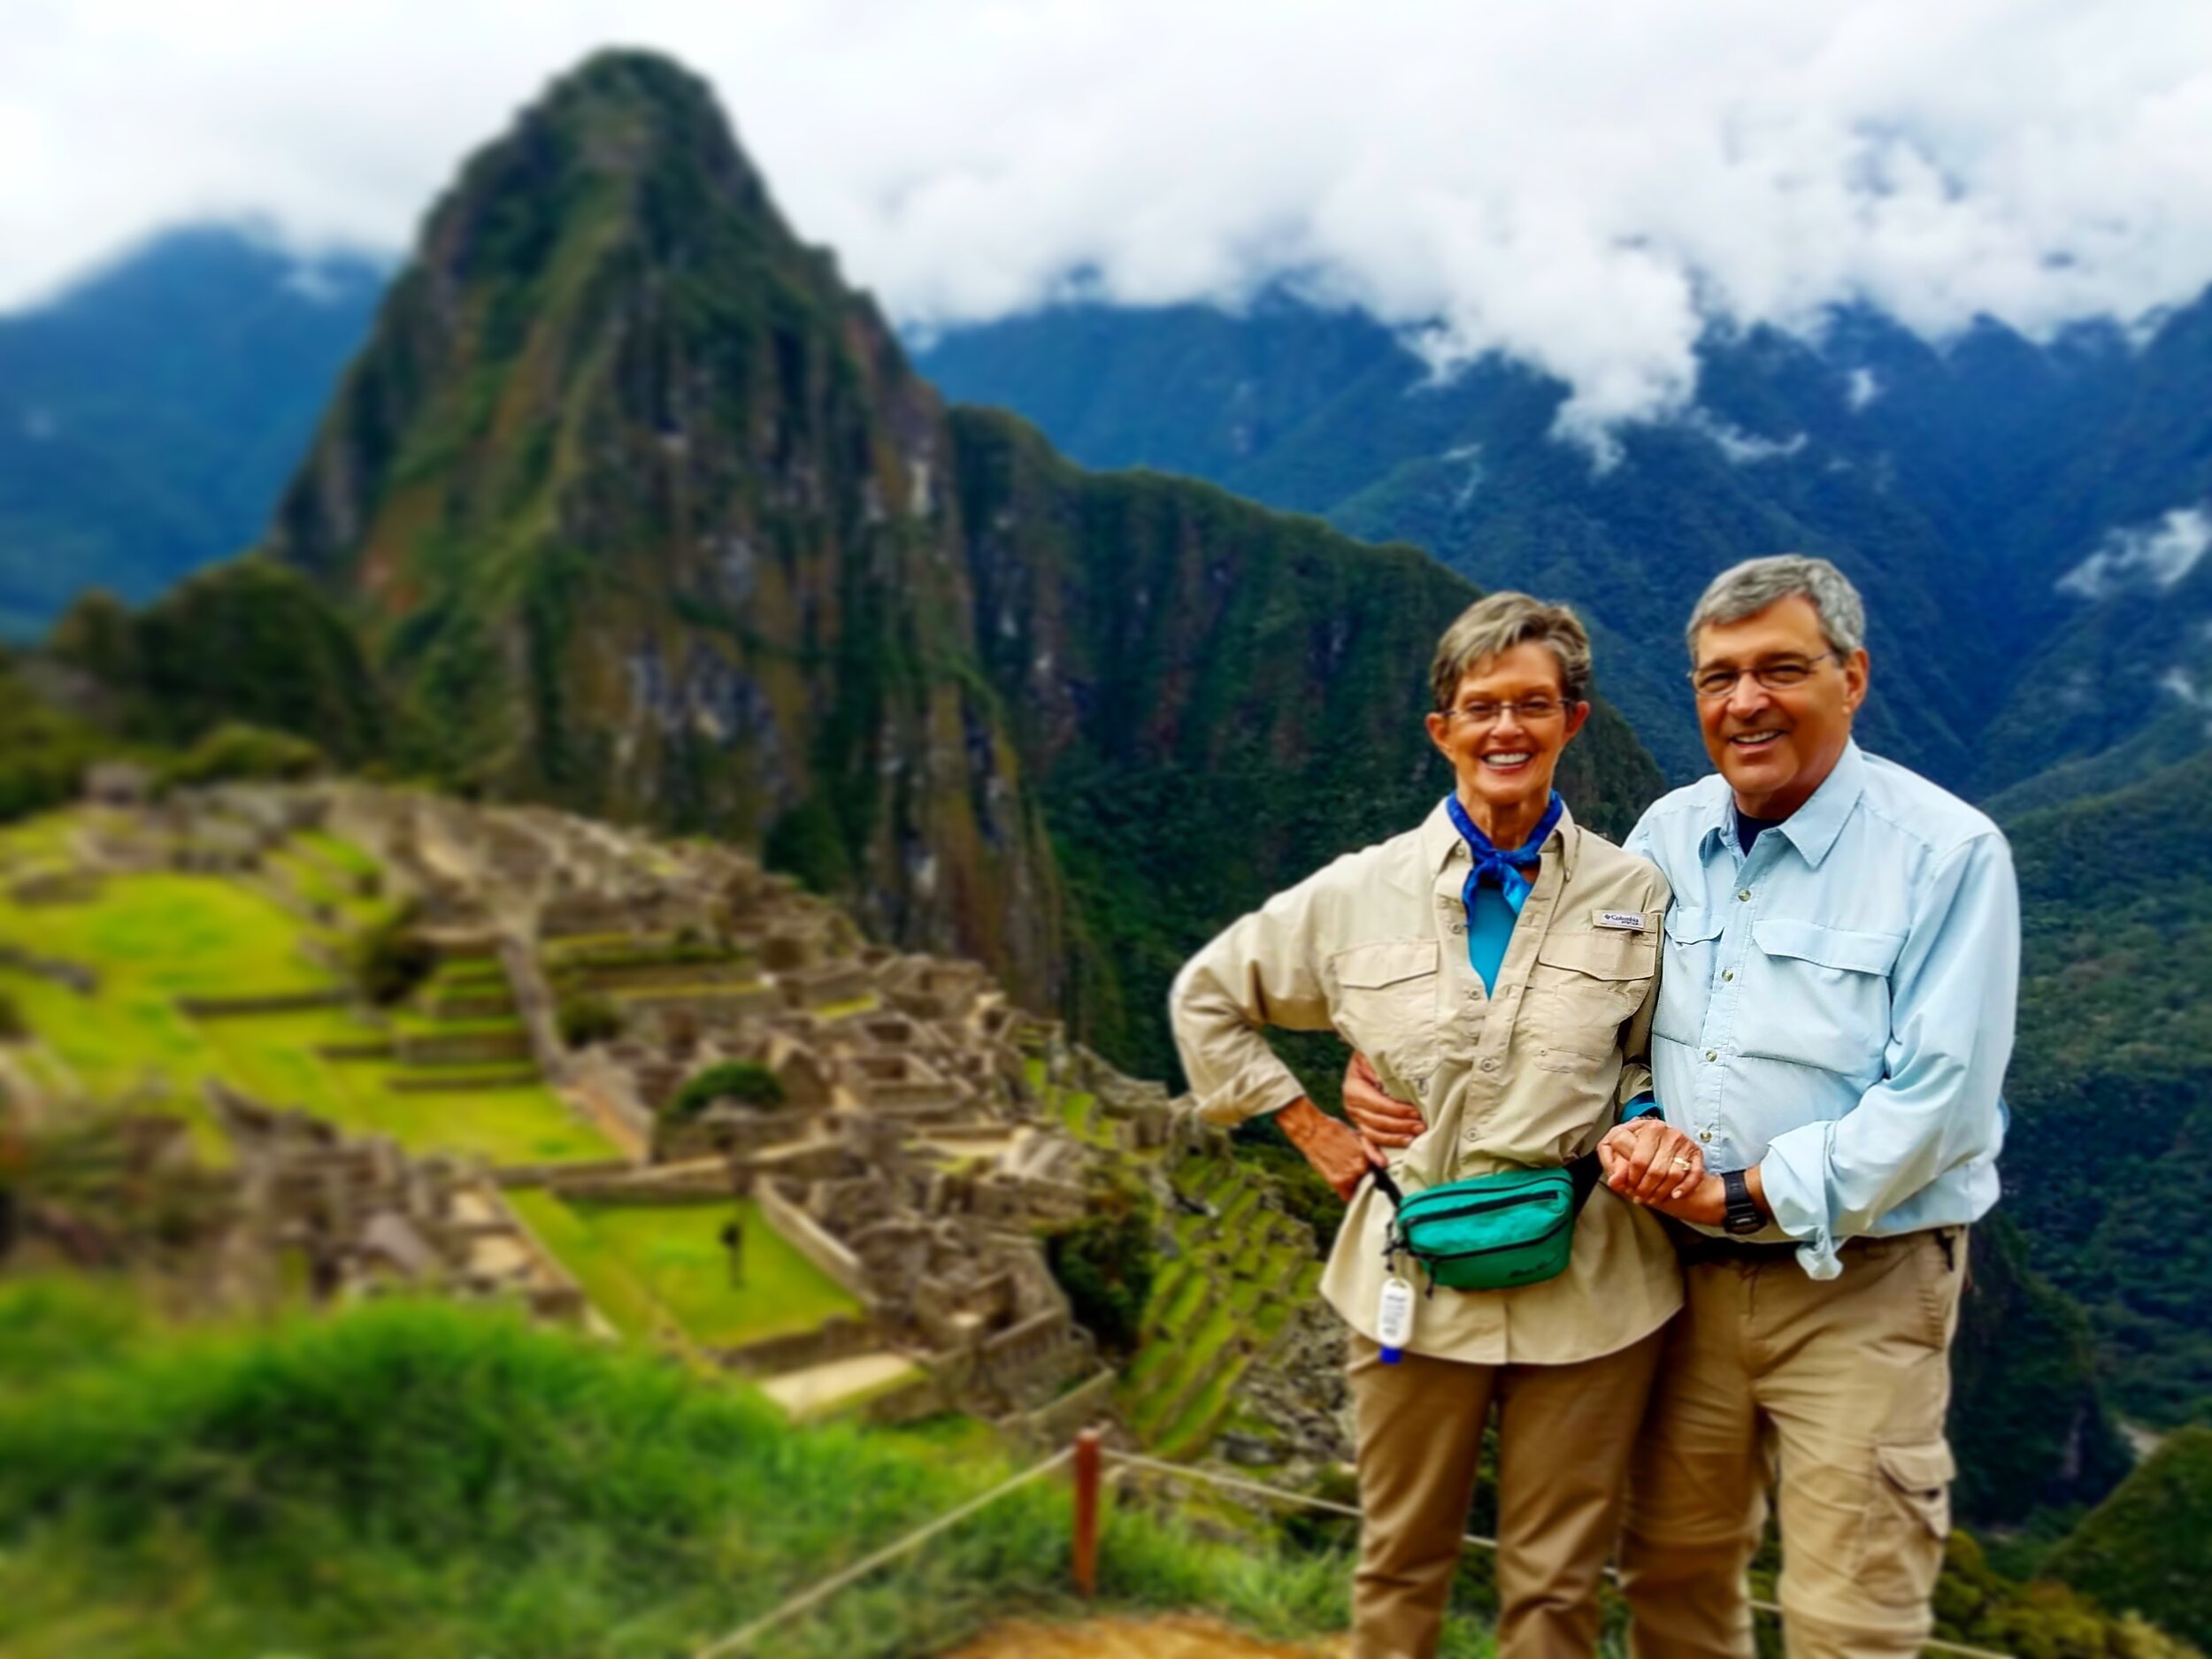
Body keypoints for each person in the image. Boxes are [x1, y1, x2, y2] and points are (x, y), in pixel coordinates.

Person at [1345, 555, 2016, 1659]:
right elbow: (1589, 1026)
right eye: (1717, 677)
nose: (1744, 702)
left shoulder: (1943, 856)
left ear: (1851, 678)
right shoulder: (1669, 836)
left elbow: (1938, 1102)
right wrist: (1393, 1066)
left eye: (1780, 670)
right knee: (1674, 1575)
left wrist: (1740, 1192)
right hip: (1681, 1284)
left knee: (1851, 1616)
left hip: (1862, 1284)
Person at [1171, 593, 1703, 1659]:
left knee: (1554, 1588)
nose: (1506, 729)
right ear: (1442, 730)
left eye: (1533, 705)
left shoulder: (1637, 893)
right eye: (1481, 707)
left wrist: (1643, 1119)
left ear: (1572, 721)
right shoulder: (1354, 894)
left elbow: (1661, 1053)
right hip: (1409, 1273)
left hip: (1590, 1282)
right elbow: (1207, 994)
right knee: (1401, 1558)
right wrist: (1314, 1128)